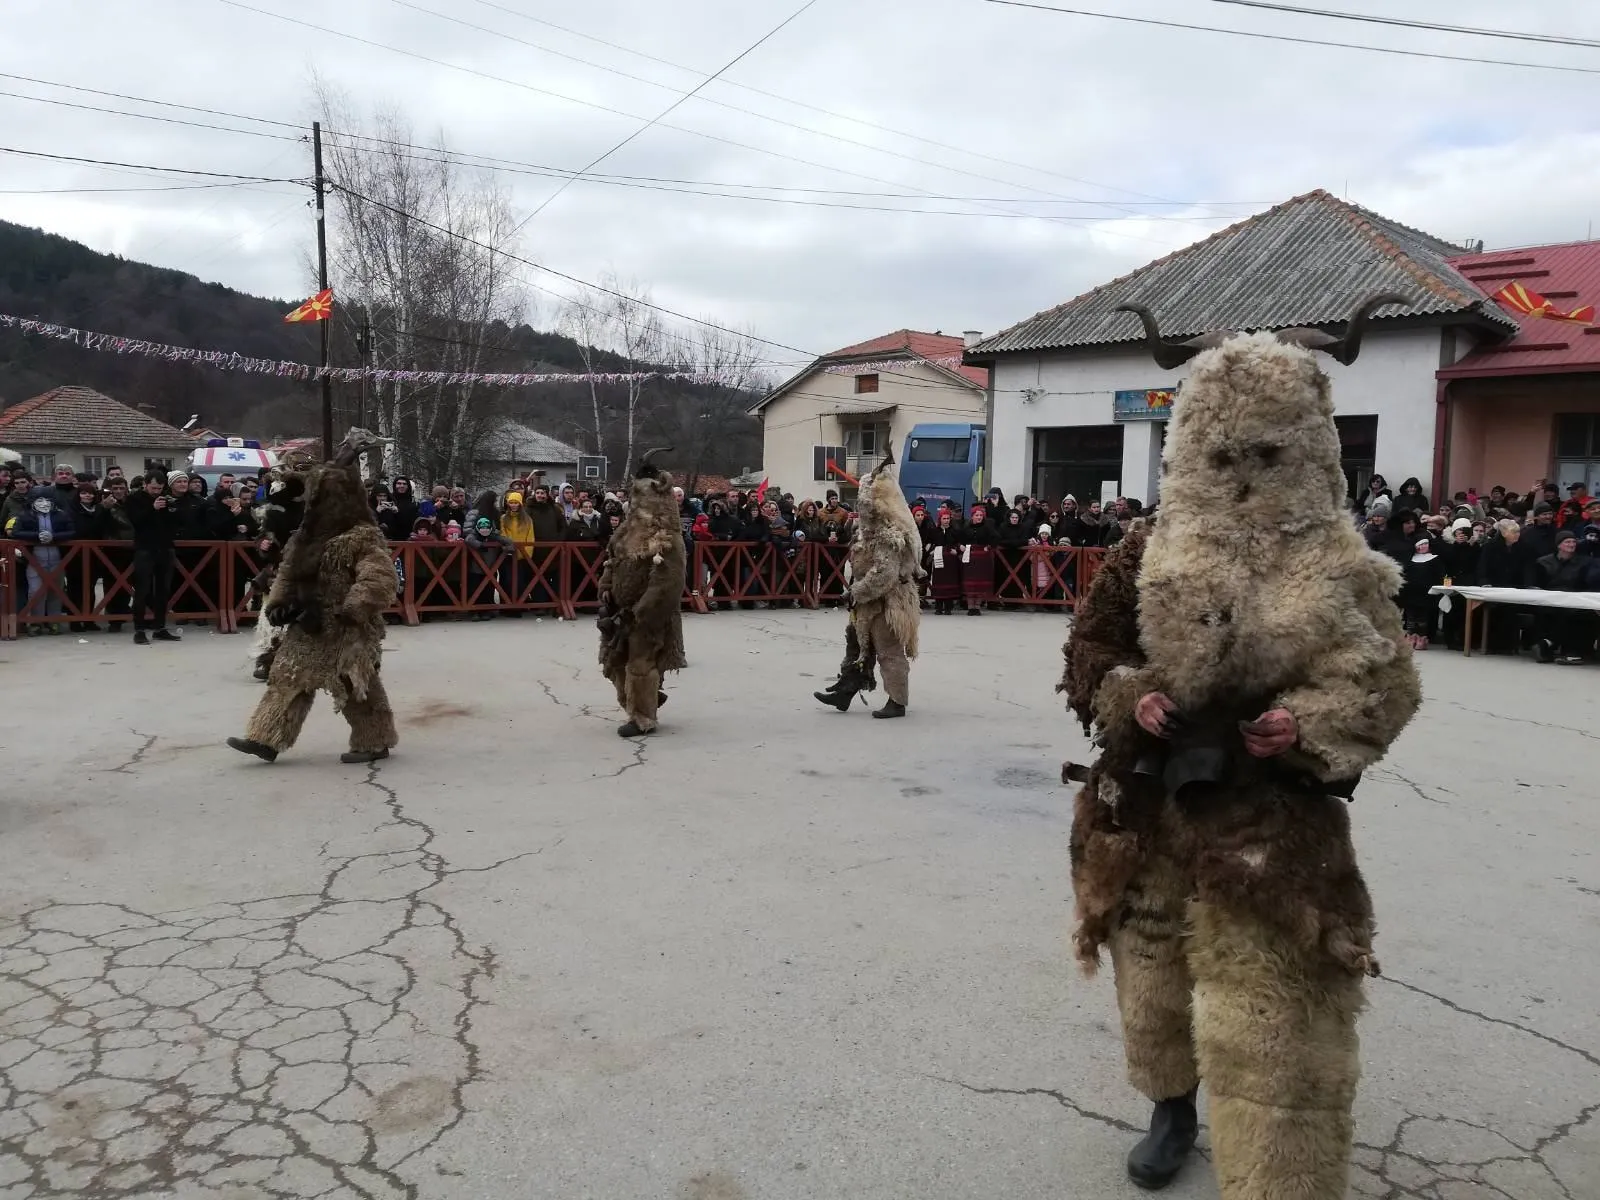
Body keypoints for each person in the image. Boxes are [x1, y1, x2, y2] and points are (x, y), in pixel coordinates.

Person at [1064, 295, 1421, 1198]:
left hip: (1270, 820)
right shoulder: (1146, 546)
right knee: (1151, 982)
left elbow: (1384, 680)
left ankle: (1278, 1174)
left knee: (1272, 1016)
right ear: (1191, 449)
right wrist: (1131, 696)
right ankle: (1172, 1106)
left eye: (1267, 455)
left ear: (1307, 448)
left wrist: (1307, 723)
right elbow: (1089, 649)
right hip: (1147, 807)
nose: (1243, 476)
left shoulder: (1340, 563)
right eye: (1222, 456)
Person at [227, 430, 398, 765]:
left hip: (347, 626)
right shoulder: (304, 538)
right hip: (308, 621)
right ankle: (266, 738)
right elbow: (288, 573)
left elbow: (379, 577)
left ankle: (374, 740)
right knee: (287, 677)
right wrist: (278, 604)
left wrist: (354, 608)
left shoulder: (361, 536)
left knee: (356, 685)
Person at [813, 451, 921, 719]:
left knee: (888, 651)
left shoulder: (889, 534)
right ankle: (844, 692)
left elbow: (884, 573)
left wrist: (855, 592)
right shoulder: (865, 531)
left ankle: (897, 701)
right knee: (856, 644)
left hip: (887, 603)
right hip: (865, 602)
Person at [596, 449, 686, 738]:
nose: (636, 502)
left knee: (640, 663)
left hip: (646, 614)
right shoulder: (625, 530)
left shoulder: (666, 535)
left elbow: (669, 579)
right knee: (614, 662)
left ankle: (643, 716)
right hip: (619, 611)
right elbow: (612, 560)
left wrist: (645, 611)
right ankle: (645, 699)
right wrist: (606, 589)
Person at [6, 485, 76, 635]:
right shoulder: (24, 515)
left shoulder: (61, 515)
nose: (44, 503)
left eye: (47, 500)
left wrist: (54, 537)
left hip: (57, 559)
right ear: (32, 501)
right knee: (35, 591)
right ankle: (35, 623)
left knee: (56, 591)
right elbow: (16, 532)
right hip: (34, 559)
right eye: (39, 500)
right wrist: (36, 536)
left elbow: (71, 531)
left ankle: (53, 622)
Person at [123, 473, 182, 645]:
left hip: (164, 548)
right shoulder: (134, 499)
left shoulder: (165, 499)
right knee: (142, 590)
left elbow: (176, 523)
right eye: (153, 488)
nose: (156, 491)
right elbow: (136, 521)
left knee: (163, 590)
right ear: (145, 484)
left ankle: (160, 628)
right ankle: (139, 630)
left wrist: (173, 509)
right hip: (144, 549)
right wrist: (152, 508)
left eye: (159, 488)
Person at [1530, 526, 1595, 665]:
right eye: (1567, 542)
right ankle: (1560, 649)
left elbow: (1584, 585)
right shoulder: (1543, 562)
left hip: (1573, 600)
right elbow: (1537, 584)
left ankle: (1549, 644)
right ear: (1559, 545)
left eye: (1573, 542)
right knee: (1557, 614)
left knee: (1580, 615)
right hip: (1549, 601)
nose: (1571, 545)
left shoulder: (1583, 562)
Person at [959, 503, 999, 614]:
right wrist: (960, 546)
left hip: (982, 558)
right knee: (970, 582)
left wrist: (989, 546)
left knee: (980, 582)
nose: (979, 517)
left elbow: (996, 537)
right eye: (977, 515)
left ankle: (977, 606)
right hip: (970, 557)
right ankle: (970, 606)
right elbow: (960, 539)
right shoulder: (966, 527)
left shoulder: (987, 527)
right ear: (972, 516)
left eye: (981, 515)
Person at [926, 508, 963, 615]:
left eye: (947, 518)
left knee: (950, 582)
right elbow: (930, 542)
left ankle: (948, 607)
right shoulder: (934, 531)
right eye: (944, 518)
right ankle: (938, 607)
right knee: (938, 581)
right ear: (940, 519)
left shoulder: (954, 531)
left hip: (951, 561)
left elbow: (958, 543)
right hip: (938, 559)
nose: (946, 520)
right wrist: (930, 549)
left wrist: (956, 550)